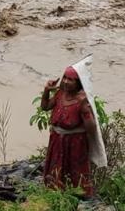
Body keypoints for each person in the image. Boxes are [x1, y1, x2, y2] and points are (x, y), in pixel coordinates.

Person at [40, 65, 102, 197]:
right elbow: (45, 107)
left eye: (71, 79)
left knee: (75, 172)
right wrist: (46, 90)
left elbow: (91, 129)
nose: (66, 82)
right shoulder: (60, 94)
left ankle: (77, 197)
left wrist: (85, 109)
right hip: (57, 141)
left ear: (78, 83)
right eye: (65, 78)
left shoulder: (82, 100)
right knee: (56, 171)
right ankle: (55, 195)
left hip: (75, 143)